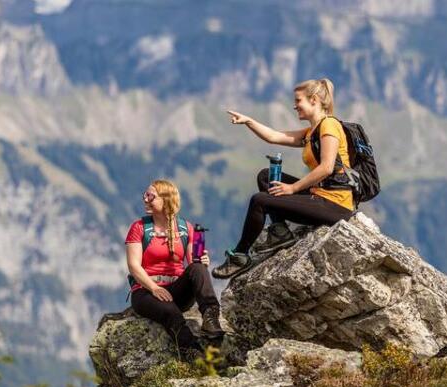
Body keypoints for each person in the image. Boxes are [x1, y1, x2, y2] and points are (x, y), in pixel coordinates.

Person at [212, 78, 354, 279]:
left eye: (298, 101)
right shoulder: (311, 131)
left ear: (313, 100)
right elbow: (274, 137)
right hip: (321, 196)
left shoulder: (329, 126)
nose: (294, 106)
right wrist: (249, 121)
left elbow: (327, 167)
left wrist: (293, 188)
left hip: (335, 205)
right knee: (266, 176)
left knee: (259, 201)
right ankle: (280, 232)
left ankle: (240, 256)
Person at [126, 179, 224, 359]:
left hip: (176, 290)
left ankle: (210, 317)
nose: (145, 199)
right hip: (146, 291)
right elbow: (134, 265)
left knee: (197, 268)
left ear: (166, 200)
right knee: (171, 312)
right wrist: (154, 288)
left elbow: (193, 263)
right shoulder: (139, 228)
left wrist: (203, 260)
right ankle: (192, 353)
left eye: (150, 196)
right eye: (145, 195)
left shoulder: (185, 228)